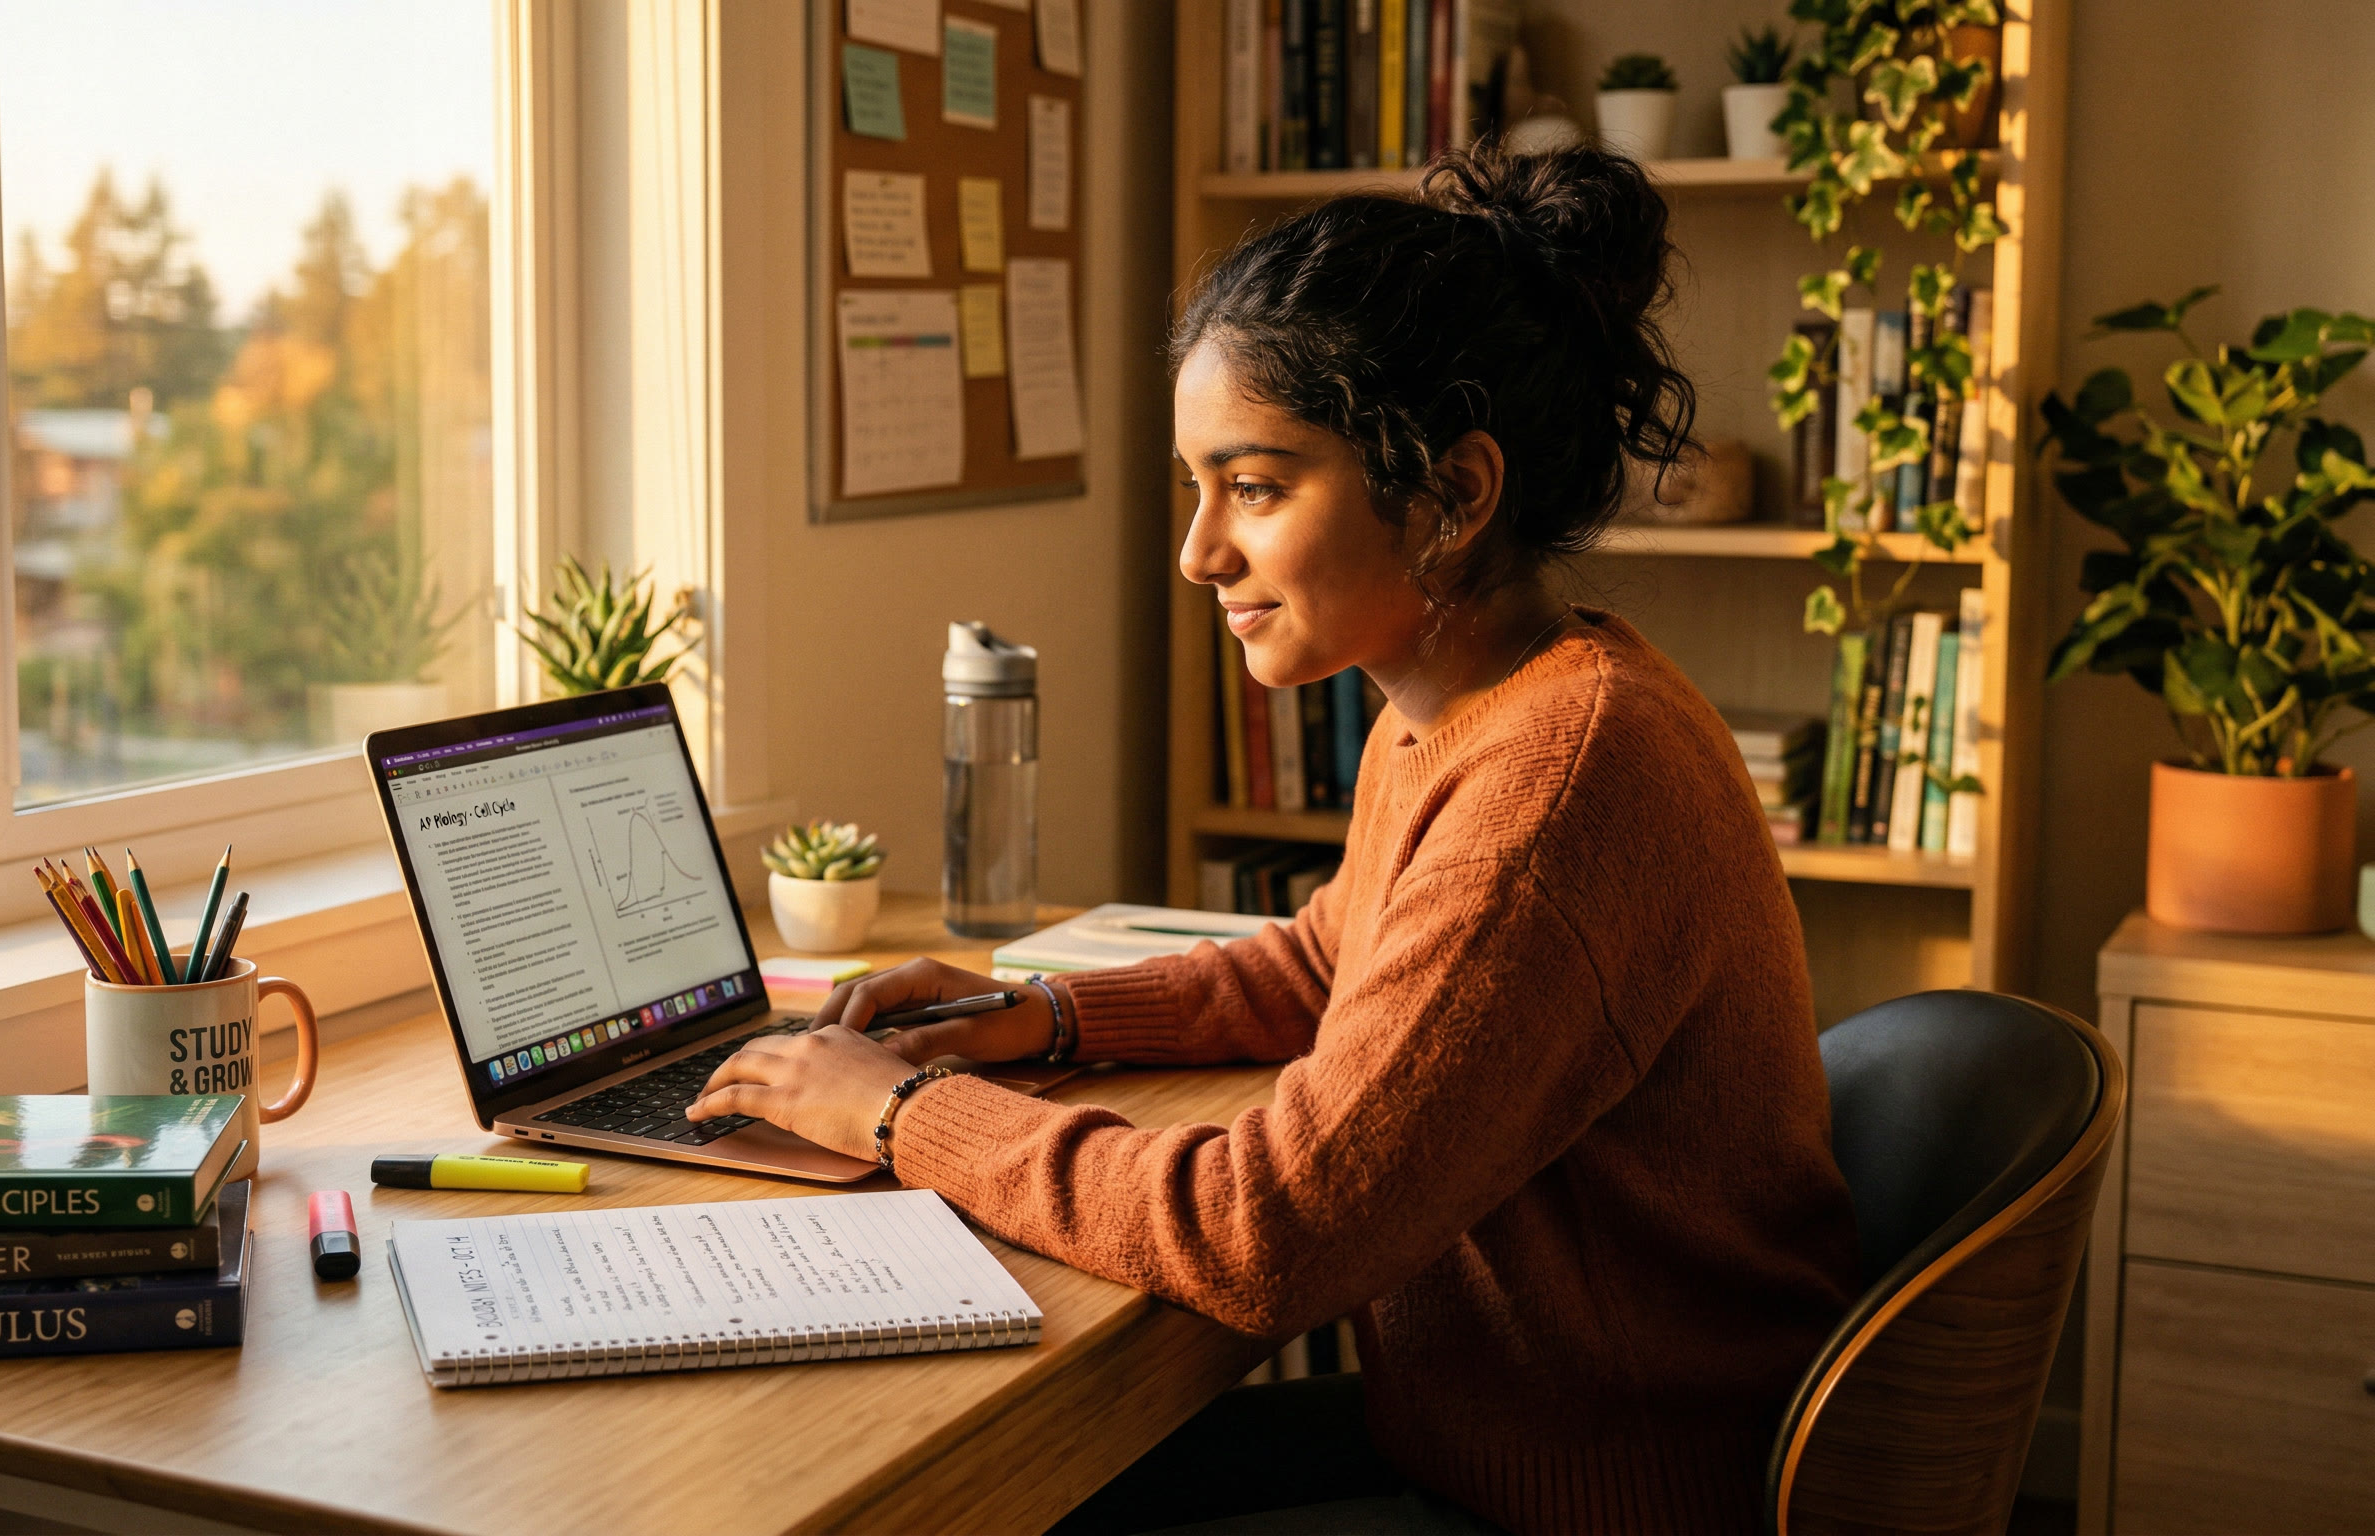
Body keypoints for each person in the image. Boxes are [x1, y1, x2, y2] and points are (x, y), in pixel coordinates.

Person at [689, 144, 1856, 1536]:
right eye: (1199, 487)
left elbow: (1266, 1233)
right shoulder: (1476, 701)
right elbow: (1328, 966)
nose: (1196, 554)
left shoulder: (1558, 784)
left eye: (1253, 487)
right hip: (1497, 1435)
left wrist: (895, 1113)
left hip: (1591, 1497)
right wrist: (1040, 1020)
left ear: (1455, 494)